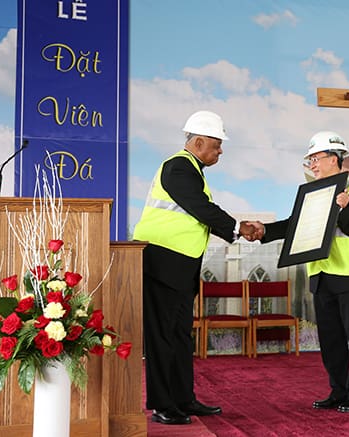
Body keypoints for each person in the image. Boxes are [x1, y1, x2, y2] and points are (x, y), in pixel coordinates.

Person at [133, 110, 256, 425]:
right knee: (162, 336)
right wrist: (237, 228)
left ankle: (183, 399)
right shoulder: (178, 167)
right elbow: (202, 209)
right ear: (199, 142)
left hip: (179, 265)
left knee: (179, 335)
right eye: (216, 145)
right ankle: (163, 404)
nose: (220, 151)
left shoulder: (193, 170)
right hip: (162, 262)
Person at [245, 131, 349, 413]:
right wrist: (265, 230)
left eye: (316, 159)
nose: (312, 165)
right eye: (310, 160)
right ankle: (339, 392)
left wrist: (342, 206)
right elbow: (294, 225)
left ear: (335, 158)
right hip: (322, 277)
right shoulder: (314, 195)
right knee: (331, 341)